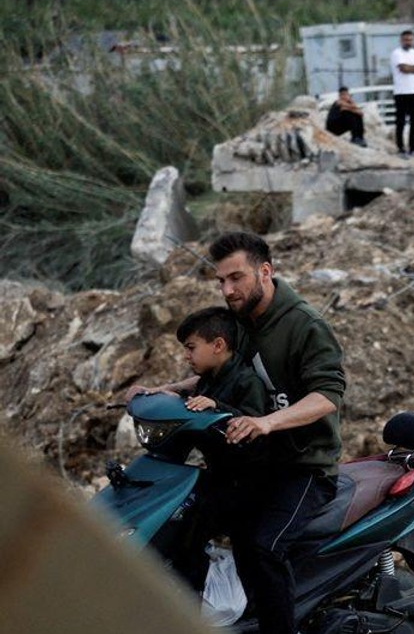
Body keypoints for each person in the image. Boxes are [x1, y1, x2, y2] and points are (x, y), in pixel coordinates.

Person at [127, 233, 346, 634]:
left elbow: (328, 395)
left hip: (304, 467)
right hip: (255, 464)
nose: (228, 290)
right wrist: (169, 391)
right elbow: (219, 375)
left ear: (265, 271)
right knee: (187, 522)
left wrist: (266, 422)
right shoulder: (243, 323)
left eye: (236, 278)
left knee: (261, 547)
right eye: (221, 281)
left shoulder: (304, 325)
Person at [170, 306, 271, 592]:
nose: (186, 356)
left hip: (247, 483)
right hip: (220, 476)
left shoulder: (246, 380)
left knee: (196, 536)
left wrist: (219, 408)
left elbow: (253, 425)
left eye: (191, 348)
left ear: (218, 345)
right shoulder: (207, 381)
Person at [390, 30, 414, 156]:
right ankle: (400, 147)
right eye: (406, 40)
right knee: (400, 121)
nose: (408, 42)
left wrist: (412, 68)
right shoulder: (396, 53)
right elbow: (403, 68)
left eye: (410, 40)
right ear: (401, 40)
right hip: (401, 92)